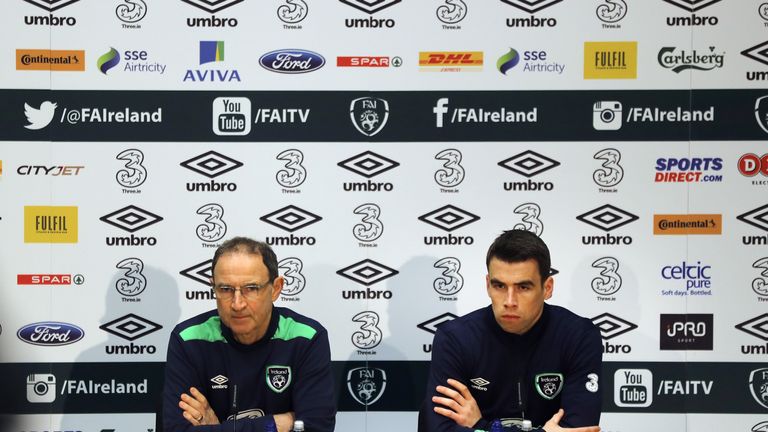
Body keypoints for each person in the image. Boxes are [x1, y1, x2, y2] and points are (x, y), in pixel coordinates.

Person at [419, 230, 602, 432]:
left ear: (547, 287)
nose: (509, 301)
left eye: (523, 287)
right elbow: (437, 429)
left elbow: (580, 428)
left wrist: (481, 426)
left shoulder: (579, 336)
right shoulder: (456, 338)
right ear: (488, 285)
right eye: (499, 286)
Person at [163, 237, 336, 432]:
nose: (237, 304)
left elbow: (316, 427)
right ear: (214, 288)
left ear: (276, 288)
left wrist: (218, 428)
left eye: (251, 289)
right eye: (225, 289)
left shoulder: (307, 338)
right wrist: (275, 424)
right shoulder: (188, 339)